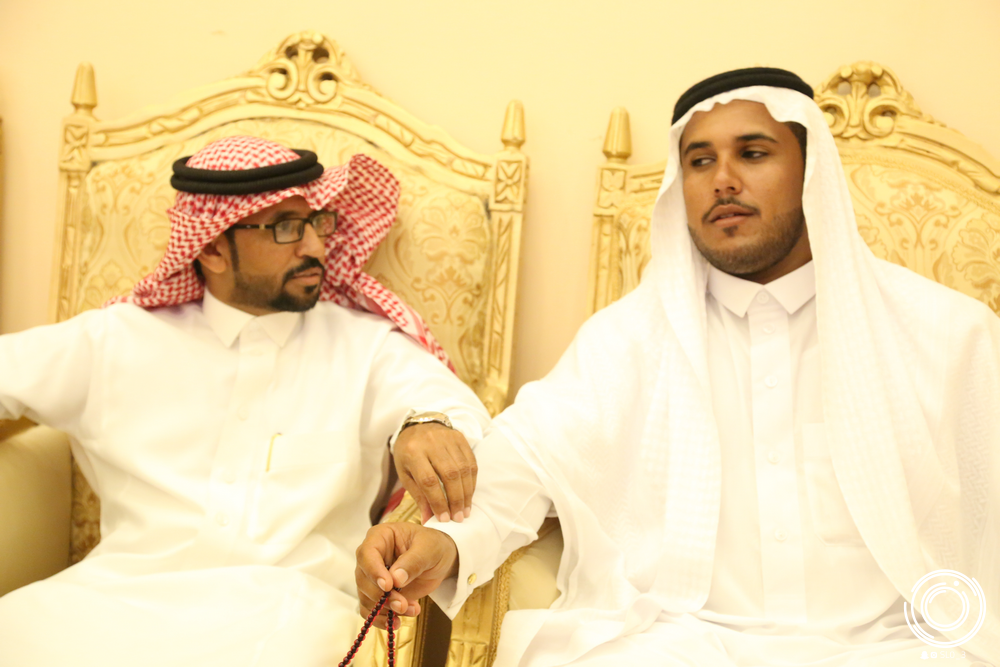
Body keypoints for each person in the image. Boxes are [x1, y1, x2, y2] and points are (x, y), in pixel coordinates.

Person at [355, 69, 1000, 666]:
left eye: (753, 153)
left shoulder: (947, 334)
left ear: (812, 174)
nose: (723, 180)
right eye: (700, 161)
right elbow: (525, 461)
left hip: (895, 645)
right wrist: (447, 542)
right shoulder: (628, 339)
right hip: (682, 641)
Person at [0, 136, 489, 667]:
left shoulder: (364, 346)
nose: (315, 247)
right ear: (211, 248)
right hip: (112, 598)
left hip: (287, 612)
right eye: (285, 228)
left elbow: (453, 411)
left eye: (316, 223)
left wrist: (426, 424)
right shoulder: (116, 340)